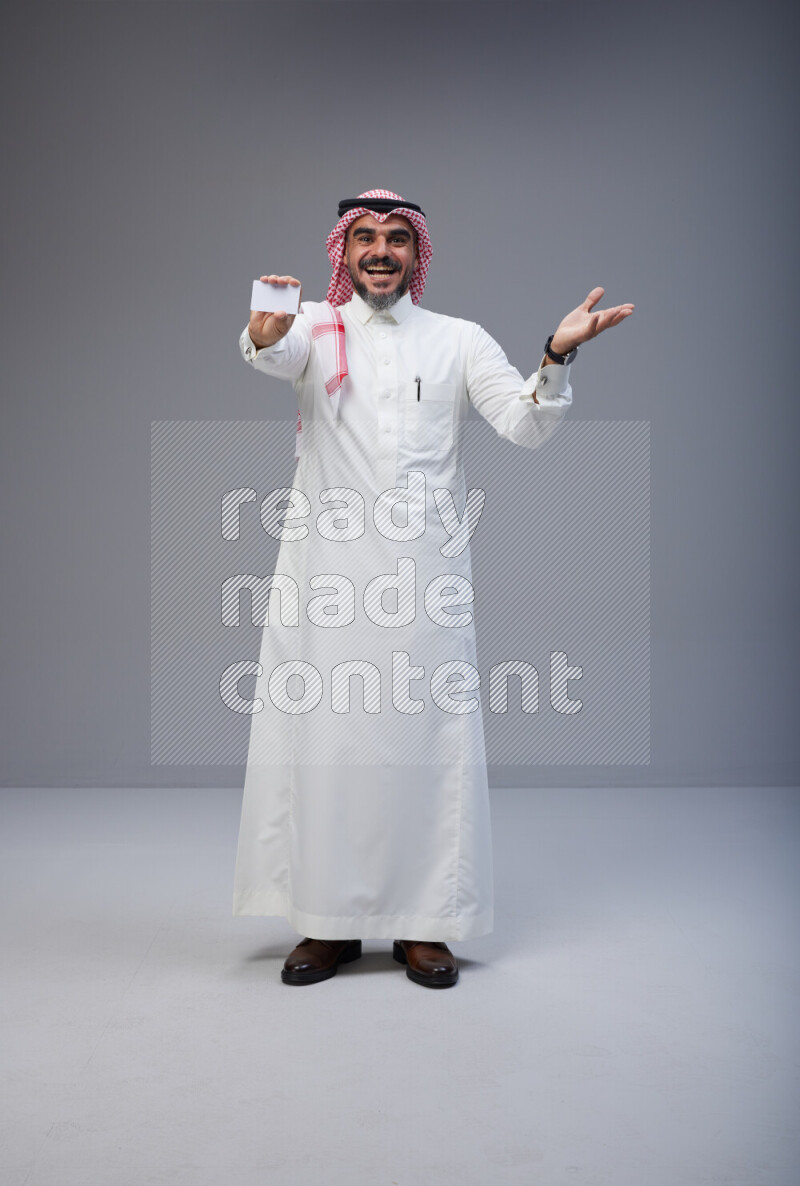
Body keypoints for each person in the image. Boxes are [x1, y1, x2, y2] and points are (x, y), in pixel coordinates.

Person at [232, 189, 634, 989]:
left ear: (417, 254)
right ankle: (327, 923)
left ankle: (423, 926)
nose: (380, 251)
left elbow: (523, 423)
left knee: (423, 744)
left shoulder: (458, 340)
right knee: (329, 745)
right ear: (344, 252)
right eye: (365, 238)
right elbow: (270, 353)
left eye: (396, 239)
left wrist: (557, 356)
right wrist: (262, 334)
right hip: (328, 577)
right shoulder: (312, 325)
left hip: (424, 580)